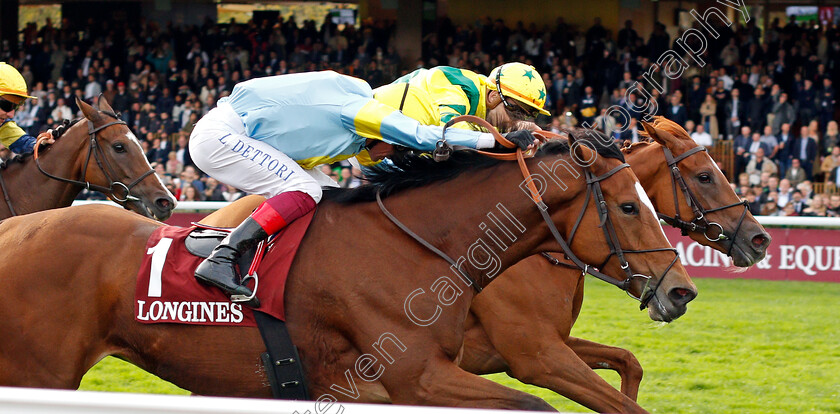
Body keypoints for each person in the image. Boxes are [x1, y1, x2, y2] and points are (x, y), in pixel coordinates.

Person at [189, 64, 546, 298]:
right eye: (517, 112)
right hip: (220, 134)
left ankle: (263, 263)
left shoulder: (359, 125)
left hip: (235, 132)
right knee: (305, 190)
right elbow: (424, 135)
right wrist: (496, 141)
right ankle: (224, 257)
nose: (388, 157)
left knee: (329, 198)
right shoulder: (365, 112)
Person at [0, 62, 55, 155]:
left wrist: (40, 143)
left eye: (16, 107)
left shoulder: (3, 125)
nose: (11, 115)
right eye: (7, 106)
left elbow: (23, 142)